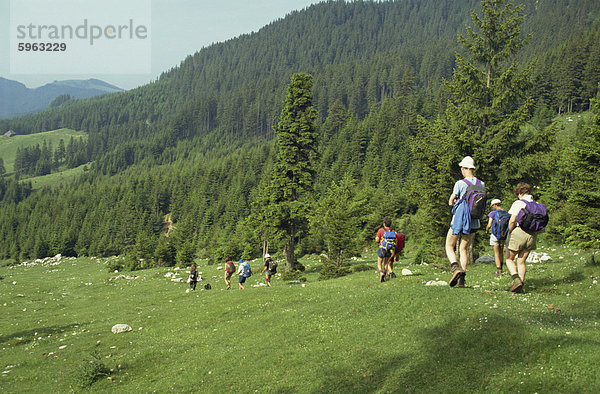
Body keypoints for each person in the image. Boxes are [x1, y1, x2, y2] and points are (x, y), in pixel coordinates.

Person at [445, 156, 485, 288]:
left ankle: (455, 268)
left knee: (449, 246)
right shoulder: (481, 184)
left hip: (460, 220)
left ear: (463, 168)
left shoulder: (460, 183)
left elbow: (451, 201)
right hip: (474, 221)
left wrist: (455, 202)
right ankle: (462, 280)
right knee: (464, 249)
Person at [505, 182, 538, 293]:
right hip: (532, 235)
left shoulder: (518, 203)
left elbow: (512, 220)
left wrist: (510, 231)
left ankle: (516, 279)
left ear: (519, 193)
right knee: (521, 261)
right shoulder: (536, 204)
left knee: (509, 259)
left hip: (519, 232)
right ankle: (520, 286)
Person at [485, 199, 506, 276]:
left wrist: (487, 230)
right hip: (503, 235)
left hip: (495, 235)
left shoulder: (493, 213)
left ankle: (499, 270)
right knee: (501, 252)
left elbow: (489, 224)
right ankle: (502, 268)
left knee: (496, 253)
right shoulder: (506, 213)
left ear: (494, 205)